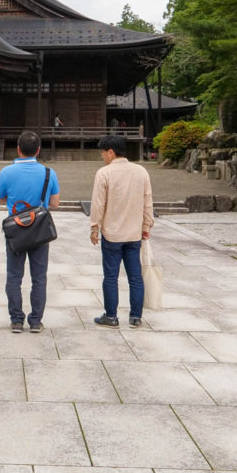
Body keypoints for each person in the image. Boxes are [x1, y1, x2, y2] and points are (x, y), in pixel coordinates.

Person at [0, 131, 60, 333]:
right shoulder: (49, 173)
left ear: (18, 149)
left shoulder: (6, 172)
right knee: (39, 277)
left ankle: (16, 320)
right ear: (38, 150)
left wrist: (14, 201)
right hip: (40, 232)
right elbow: (54, 204)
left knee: (14, 275)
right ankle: (35, 321)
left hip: (16, 231)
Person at [89, 134, 154, 328]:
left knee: (111, 276)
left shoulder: (104, 173)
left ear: (111, 152)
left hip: (112, 233)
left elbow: (98, 204)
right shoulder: (141, 171)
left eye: (103, 153)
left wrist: (94, 227)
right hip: (134, 233)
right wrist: (146, 226)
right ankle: (135, 316)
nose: (102, 157)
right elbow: (147, 200)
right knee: (135, 276)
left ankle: (111, 316)